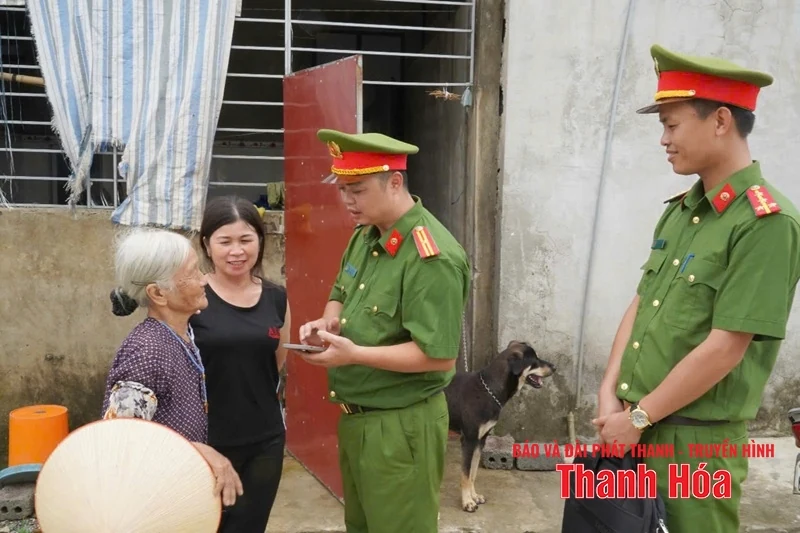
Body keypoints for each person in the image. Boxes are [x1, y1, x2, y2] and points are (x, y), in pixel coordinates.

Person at [592, 44, 800, 532]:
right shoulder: (684, 207)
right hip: (634, 429)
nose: (664, 139)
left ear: (721, 120)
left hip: (694, 449)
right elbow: (643, 301)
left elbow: (727, 346)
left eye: (672, 124)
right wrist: (609, 392)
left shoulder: (766, 223)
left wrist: (638, 419)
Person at [294, 129, 471, 533]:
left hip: (402, 424)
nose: (346, 201)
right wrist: (329, 321)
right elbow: (340, 291)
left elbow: (438, 355)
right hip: (359, 420)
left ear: (394, 182)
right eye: (341, 190)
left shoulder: (432, 256)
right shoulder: (366, 235)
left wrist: (353, 354)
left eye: (356, 190)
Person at [103, 227, 243, 508]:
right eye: (192, 273)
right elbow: (121, 440)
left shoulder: (180, 334)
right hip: (152, 505)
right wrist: (197, 450)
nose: (204, 279)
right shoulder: (147, 350)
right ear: (158, 293)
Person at [189, 196, 290, 533]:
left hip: (265, 441)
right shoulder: (191, 297)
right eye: (225, 241)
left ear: (260, 241)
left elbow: (276, 362)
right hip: (205, 441)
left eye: (246, 239)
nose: (237, 251)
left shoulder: (277, 297)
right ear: (207, 244)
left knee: (249, 527)